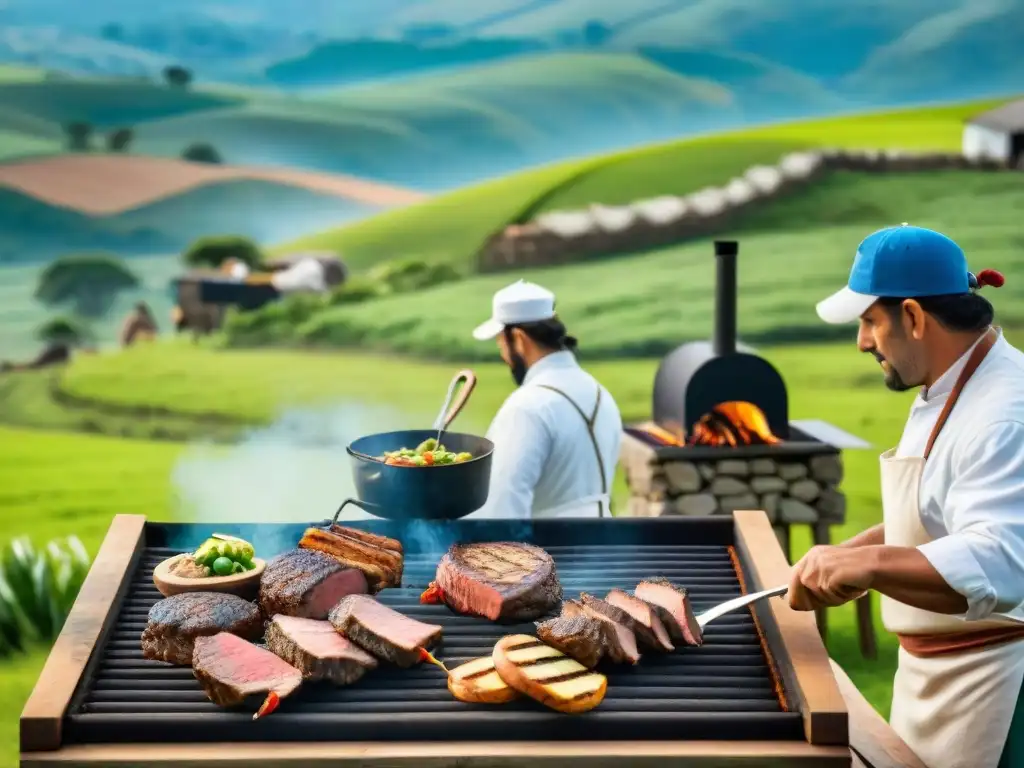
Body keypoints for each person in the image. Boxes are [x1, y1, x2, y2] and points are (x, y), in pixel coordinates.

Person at [794, 224, 1024, 768]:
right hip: (937, 677)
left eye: (871, 321)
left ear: (915, 317)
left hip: (996, 689)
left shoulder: (1003, 414)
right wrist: (853, 554)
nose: (862, 341)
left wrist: (873, 564)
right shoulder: (949, 382)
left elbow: (1002, 561)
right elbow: (936, 513)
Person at [467, 280, 622, 519]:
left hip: (551, 551)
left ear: (518, 339)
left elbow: (500, 505)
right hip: (603, 547)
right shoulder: (601, 394)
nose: (503, 355)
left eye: (500, 342)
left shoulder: (528, 406)